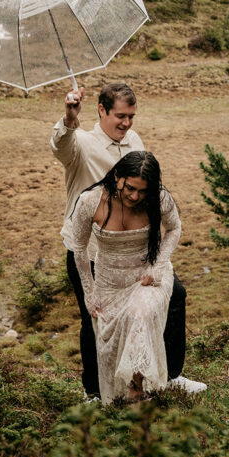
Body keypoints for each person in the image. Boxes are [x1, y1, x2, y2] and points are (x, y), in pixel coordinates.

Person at [50, 81, 205, 398]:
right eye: (120, 115)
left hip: (135, 251)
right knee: (93, 318)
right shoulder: (81, 143)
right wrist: (69, 117)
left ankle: (170, 374)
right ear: (101, 110)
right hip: (92, 250)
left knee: (174, 297)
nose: (126, 123)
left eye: (131, 116)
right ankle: (95, 392)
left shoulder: (134, 140)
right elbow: (61, 146)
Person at [71, 151, 180, 403]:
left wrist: (159, 266)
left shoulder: (159, 198)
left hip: (146, 277)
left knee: (139, 314)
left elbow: (174, 228)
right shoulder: (90, 201)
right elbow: (79, 248)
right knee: (111, 347)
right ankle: (119, 401)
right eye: (130, 188)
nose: (135, 196)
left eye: (142, 191)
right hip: (108, 284)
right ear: (117, 176)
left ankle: (138, 390)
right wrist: (90, 292)